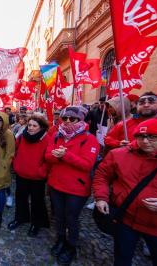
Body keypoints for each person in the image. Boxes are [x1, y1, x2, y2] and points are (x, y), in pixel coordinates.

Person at [93, 118, 157, 266]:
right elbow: (102, 175)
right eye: (141, 136)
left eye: (153, 137)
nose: (146, 141)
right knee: (122, 258)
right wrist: (101, 197)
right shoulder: (119, 154)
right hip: (125, 220)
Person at [45, 106, 100, 265]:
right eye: (65, 118)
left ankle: (72, 245)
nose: (68, 121)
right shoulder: (56, 135)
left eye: (72, 119)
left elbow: (87, 164)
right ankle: (61, 239)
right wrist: (59, 157)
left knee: (72, 217)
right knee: (59, 216)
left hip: (77, 188)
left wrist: (66, 156)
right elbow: (48, 156)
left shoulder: (89, 139)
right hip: (56, 184)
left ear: (81, 120)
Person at [8, 115, 50, 237]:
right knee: (20, 198)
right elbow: (15, 151)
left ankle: (36, 223)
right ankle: (20, 218)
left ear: (41, 127)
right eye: (29, 125)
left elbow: (49, 159)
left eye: (34, 126)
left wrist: (41, 171)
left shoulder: (47, 139)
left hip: (37, 177)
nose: (31, 128)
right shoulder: (22, 137)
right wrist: (16, 164)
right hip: (22, 174)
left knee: (37, 201)